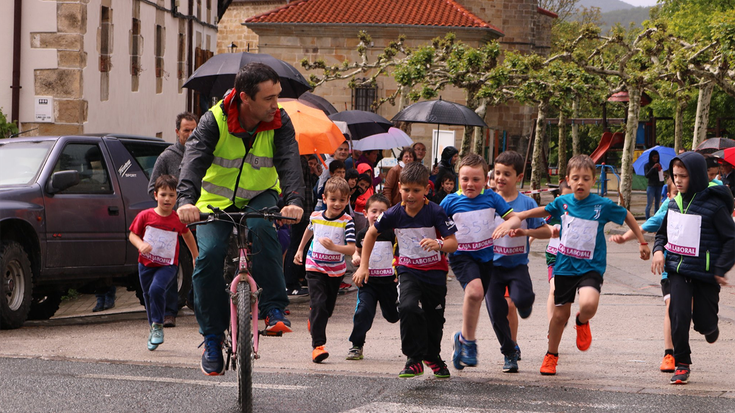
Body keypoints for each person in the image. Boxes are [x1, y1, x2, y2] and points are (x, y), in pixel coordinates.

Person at [176, 62, 305, 376]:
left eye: (278, 96)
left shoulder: (279, 120)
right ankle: (211, 337)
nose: (276, 104)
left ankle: (275, 307)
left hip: (259, 195)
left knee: (261, 228)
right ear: (246, 98)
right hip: (214, 202)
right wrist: (185, 201)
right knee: (207, 256)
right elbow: (193, 162)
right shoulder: (213, 121)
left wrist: (295, 201)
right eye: (269, 98)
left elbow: (289, 160)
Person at [516, 155, 650, 376]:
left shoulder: (602, 205)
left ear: (593, 181)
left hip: (591, 267)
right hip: (564, 267)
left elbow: (626, 215)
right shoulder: (563, 202)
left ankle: (582, 321)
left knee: (588, 305)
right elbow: (544, 211)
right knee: (559, 317)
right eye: (575, 178)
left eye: (586, 178)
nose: (580, 183)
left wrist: (642, 242)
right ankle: (551, 355)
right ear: (568, 180)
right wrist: (521, 215)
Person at [353, 162, 458, 378]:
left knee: (434, 318)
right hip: (408, 270)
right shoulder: (393, 213)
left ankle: (433, 356)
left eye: (416, 191)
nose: (410, 195)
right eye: (406, 189)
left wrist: (438, 244)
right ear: (399, 187)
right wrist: (364, 265)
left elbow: (453, 243)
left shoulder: (436, 211)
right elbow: (371, 234)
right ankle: (413, 359)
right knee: (408, 307)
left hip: (435, 273)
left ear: (426, 190)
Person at [651, 152, 735, 385]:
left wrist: (721, 268)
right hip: (678, 270)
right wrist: (658, 250)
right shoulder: (673, 203)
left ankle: (709, 327)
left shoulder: (715, 206)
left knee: (704, 323)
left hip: (706, 274)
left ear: (696, 176)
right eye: (674, 176)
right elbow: (662, 234)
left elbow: (731, 239)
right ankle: (682, 363)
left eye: (683, 176)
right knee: (678, 315)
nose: (677, 181)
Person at [439, 154, 520, 371]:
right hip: (461, 257)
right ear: (458, 178)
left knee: (481, 298)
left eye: (476, 179)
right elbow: (435, 225)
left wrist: (508, 224)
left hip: (486, 258)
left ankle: (462, 338)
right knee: (474, 292)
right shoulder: (450, 202)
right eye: (465, 179)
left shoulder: (492, 198)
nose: (470, 184)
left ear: (486, 180)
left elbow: (513, 217)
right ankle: (470, 343)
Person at [483, 151, 550, 373]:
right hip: (491, 267)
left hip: (517, 266)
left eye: (507, 174)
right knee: (497, 312)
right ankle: (509, 352)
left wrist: (524, 231)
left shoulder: (527, 202)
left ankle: (526, 303)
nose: (500, 178)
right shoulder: (487, 200)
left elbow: (545, 231)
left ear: (519, 177)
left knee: (521, 299)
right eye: (497, 173)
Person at [610, 177, 678, 373]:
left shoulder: (699, 203)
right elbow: (647, 225)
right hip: (670, 268)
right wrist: (625, 237)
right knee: (671, 307)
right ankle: (669, 353)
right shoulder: (669, 207)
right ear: (668, 195)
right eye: (675, 193)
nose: (679, 196)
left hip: (694, 269)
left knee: (691, 313)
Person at [129, 175, 198, 351]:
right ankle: (153, 328)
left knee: (157, 289)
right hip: (145, 264)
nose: (167, 199)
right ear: (155, 195)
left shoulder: (177, 219)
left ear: (177, 197)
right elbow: (132, 234)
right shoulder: (145, 216)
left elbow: (187, 235)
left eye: (171, 195)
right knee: (147, 296)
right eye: (163, 194)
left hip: (168, 265)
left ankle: (158, 326)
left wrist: (195, 255)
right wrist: (141, 244)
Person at [294, 177, 356, 363]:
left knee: (326, 310)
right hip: (314, 267)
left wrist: (334, 247)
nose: (337, 204)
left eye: (342, 200)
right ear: (324, 198)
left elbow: (352, 249)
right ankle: (318, 346)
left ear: (347, 200)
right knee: (319, 304)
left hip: (336, 271)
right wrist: (300, 249)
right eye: (333, 199)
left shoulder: (348, 221)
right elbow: (309, 230)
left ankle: (314, 320)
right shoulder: (315, 216)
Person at [147, 111, 198, 327]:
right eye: (186, 130)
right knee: (171, 266)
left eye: (194, 130)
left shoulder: (205, 154)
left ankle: (196, 302)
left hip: (199, 222)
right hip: (172, 225)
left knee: (201, 262)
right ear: (177, 132)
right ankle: (169, 312)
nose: (191, 133)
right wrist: (169, 203)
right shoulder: (167, 157)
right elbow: (152, 189)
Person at [347, 193, 399, 360]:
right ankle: (356, 345)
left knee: (392, 316)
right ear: (365, 213)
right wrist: (356, 257)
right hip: (368, 283)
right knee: (363, 312)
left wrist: (399, 275)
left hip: (389, 282)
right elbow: (358, 252)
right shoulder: (362, 234)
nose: (377, 215)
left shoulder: (391, 234)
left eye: (382, 212)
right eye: (374, 211)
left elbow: (398, 254)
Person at [284, 155, 321, 296]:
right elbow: (300, 185)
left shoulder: (303, 161)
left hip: (304, 209)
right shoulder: (299, 160)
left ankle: (294, 281)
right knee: (295, 245)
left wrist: (315, 174)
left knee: (299, 245)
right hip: (300, 209)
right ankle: (290, 283)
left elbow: (308, 185)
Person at [543, 180, 572, 322]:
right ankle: (551, 324)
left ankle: (563, 317)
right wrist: (527, 243)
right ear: (558, 197)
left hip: (571, 260)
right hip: (554, 257)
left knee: (566, 296)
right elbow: (539, 226)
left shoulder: (580, 215)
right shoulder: (553, 213)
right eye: (565, 197)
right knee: (553, 290)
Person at [316, 141, 350, 210]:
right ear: (335, 150)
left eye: (346, 150)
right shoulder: (328, 165)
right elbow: (320, 188)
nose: (343, 152)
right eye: (340, 149)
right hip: (324, 206)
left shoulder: (342, 164)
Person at [644, 149, 665, 219]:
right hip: (651, 186)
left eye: (657, 157)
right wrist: (653, 168)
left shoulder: (659, 165)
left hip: (659, 186)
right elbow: (647, 175)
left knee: (657, 204)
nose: (655, 158)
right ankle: (647, 219)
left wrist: (663, 174)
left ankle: (656, 219)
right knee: (649, 204)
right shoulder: (647, 165)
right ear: (651, 157)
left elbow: (660, 176)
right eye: (654, 157)